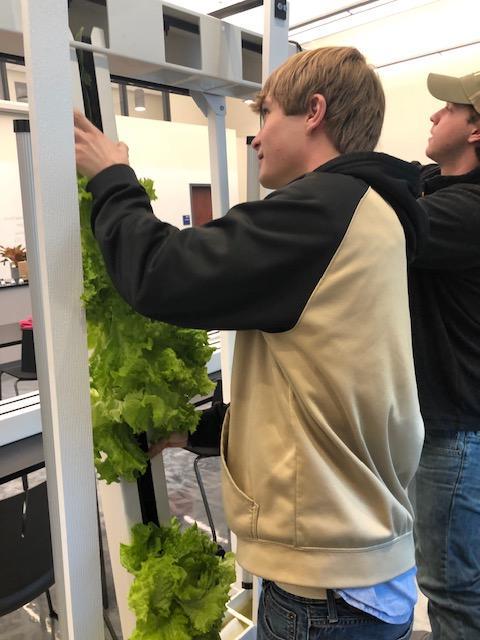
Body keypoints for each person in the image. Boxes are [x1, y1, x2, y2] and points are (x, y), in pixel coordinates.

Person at [75, 46, 425, 639]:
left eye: (266, 115)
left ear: (313, 111)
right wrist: (202, 432)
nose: (256, 137)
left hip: (324, 589)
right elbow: (322, 387)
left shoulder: (321, 210)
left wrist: (112, 179)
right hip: (360, 565)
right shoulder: (375, 211)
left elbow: (161, 274)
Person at [409, 70, 480, 640]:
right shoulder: (441, 191)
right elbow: (414, 180)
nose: (434, 117)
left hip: (456, 435)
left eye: (448, 108)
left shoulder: (464, 212)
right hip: (457, 430)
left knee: (452, 590)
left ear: (476, 128)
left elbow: (382, 223)